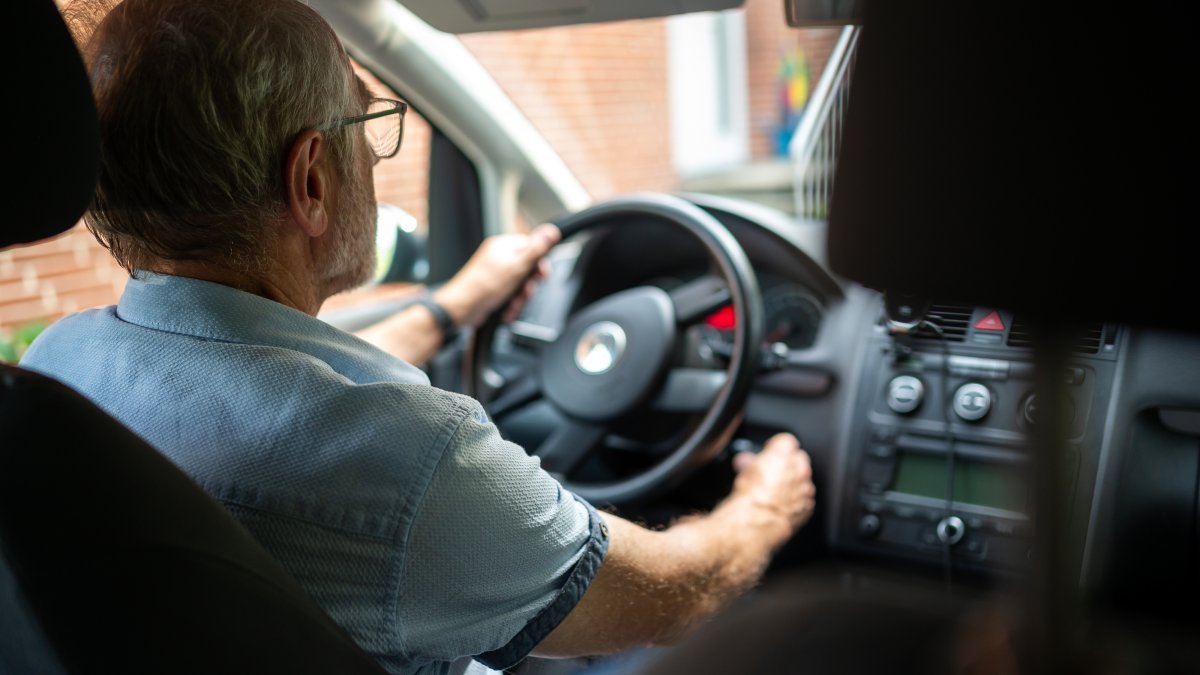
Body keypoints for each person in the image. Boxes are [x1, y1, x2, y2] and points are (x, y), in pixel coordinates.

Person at [24, 1, 817, 674]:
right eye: (366, 122)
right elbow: (669, 598)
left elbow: (276, 389)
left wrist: (452, 307)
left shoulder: (51, 373)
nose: (374, 154)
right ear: (311, 178)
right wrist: (764, 508)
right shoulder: (413, 463)